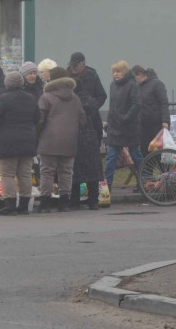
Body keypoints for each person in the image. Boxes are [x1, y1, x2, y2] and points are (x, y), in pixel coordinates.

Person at [0, 70, 40, 215]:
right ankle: (24, 206)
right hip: (28, 140)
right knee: (25, 174)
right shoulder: (31, 98)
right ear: (21, 83)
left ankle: (10, 205)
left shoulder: (3, 99)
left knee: (7, 174)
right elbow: (37, 118)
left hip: (7, 141)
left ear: (7, 84)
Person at [36, 66, 86, 212]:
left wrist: (38, 134)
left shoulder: (46, 97)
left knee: (47, 171)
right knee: (66, 172)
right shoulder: (75, 98)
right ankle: (64, 203)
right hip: (70, 140)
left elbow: (40, 119)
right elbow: (83, 120)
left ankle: (45, 203)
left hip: (49, 140)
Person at [68, 52, 107, 210]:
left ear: (83, 65)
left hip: (77, 135)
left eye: (75, 65)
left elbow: (102, 95)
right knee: (91, 171)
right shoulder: (68, 74)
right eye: (72, 65)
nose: (73, 68)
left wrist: (91, 109)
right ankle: (93, 201)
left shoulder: (92, 76)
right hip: (89, 135)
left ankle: (75, 201)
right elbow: (98, 124)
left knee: (76, 171)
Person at [104, 60, 142, 190]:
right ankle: (107, 186)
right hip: (115, 127)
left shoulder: (132, 85)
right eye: (114, 71)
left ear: (125, 72)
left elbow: (136, 104)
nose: (115, 74)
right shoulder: (112, 85)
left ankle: (144, 181)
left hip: (129, 127)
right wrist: (109, 121)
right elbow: (112, 106)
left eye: (118, 71)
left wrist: (126, 118)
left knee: (136, 155)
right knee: (111, 157)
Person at [132, 65, 170, 154]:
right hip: (143, 126)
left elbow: (163, 102)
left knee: (159, 152)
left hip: (156, 125)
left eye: (134, 77)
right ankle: (146, 168)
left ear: (140, 74)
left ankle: (163, 168)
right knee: (145, 151)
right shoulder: (138, 87)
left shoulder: (157, 84)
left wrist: (165, 120)